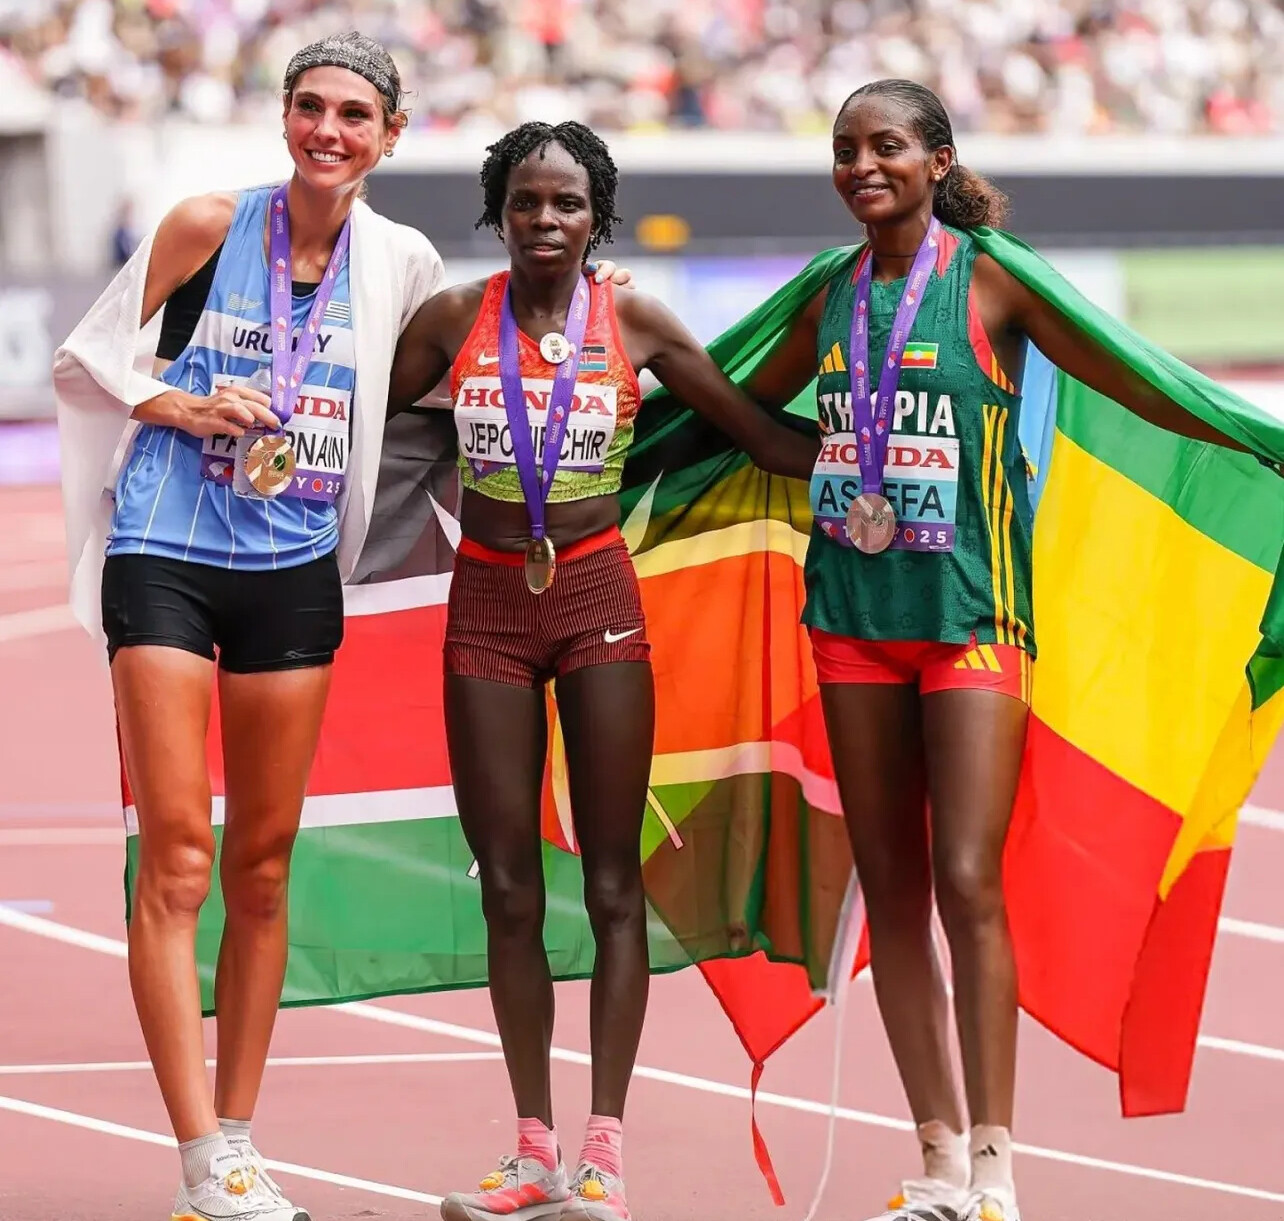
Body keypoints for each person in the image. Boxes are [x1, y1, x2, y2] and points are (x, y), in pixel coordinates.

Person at [51, 34, 633, 1221]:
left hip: (295, 564)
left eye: (354, 114)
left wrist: (585, 329)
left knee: (264, 867)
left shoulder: (399, 263)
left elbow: (458, 379)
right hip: (165, 548)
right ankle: (200, 1155)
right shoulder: (206, 224)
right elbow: (86, 357)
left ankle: (240, 1142)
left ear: (390, 135)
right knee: (181, 855)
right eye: (310, 106)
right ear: (284, 116)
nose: (329, 130)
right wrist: (182, 402)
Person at [738, 78, 1253, 1221]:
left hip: (973, 621)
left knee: (968, 879)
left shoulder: (993, 281)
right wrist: (653, 394)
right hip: (852, 623)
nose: (861, 167)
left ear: (936, 160)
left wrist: (1259, 439)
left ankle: (993, 1164)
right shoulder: (826, 293)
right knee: (891, 888)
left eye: (885, 146)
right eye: (844, 150)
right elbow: (752, 414)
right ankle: (933, 1158)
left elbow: (1138, 380)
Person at [386, 119, 819, 1221]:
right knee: (508, 887)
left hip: (597, 603)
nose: (546, 219)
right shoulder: (452, 320)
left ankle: (604, 1155)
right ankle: (533, 1150)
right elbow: (351, 423)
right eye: (526, 202)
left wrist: (892, 462)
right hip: (485, 607)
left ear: (598, 218)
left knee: (614, 881)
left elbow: (759, 435)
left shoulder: (635, 320)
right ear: (499, 213)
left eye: (567, 203)